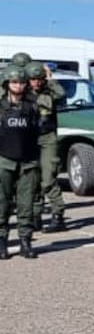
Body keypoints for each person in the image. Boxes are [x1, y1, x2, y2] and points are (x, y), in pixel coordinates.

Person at [0, 64, 40, 258]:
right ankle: (2, 242)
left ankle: (25, 241)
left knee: (26, 205)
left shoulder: (32, 106)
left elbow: (38, 131)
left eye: (22, 82)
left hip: (28, 161)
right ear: (7, 83)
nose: (19, 86)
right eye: (15, 82)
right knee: (2, 204)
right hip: (4, 161)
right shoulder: (1, 106)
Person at [25, 62, 67, 232]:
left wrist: (50, 78)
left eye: (39, 79)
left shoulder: (49, 93)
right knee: (32, 179)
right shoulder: (23, 95)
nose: (36, 82)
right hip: (29, 139)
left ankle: (58, 215)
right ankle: (36, 216)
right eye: (33, 79)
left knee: (48, 178)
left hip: (47, 138)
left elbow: (61, 93)